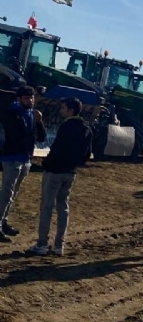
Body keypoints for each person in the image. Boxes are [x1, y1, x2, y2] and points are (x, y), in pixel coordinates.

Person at [27, 98, 91, 256]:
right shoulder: (86, 128)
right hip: (70, 172)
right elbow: (87, 154)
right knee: (63, 207)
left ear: (70, 111)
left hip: (55, 171)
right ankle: (59, 245)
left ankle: (42, 244)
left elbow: (57, 148)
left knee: (47, 207)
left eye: (63, 108)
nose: (61, 110)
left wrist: (47, 163)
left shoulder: (66, 126)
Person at [0, 86, 45, 242]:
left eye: (31, 98)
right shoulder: (11, 113)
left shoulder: (31, 115)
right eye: (26, 98)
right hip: (12, 158)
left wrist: (39, 122)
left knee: (12, 193)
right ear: (18, 99)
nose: (30, 100)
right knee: (7, 193)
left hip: (24, 159)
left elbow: (40, 138)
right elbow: (17, 136)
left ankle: (3, 221)